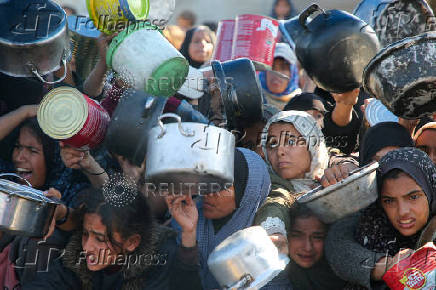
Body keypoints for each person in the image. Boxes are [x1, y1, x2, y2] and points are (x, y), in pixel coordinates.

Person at [23, 186, 202, 290]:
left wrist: (188, 233)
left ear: (132, 242)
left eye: (100, 239)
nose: (87, 247)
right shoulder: (77, 258)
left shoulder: (158, 258)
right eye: (86, 234)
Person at [325, 148, 436, 289]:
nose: (402, 212)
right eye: (389, 201)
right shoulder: (371, 227)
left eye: (413, 197)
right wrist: (384, 266)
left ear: (430, 190)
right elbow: (337, 243)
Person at [170, 148, 272, 289]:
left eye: (222, 185)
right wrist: (188, 234)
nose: (209, 192)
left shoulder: (267, 241)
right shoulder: (182, 221)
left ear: (247, 192)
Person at [254, 111, 329, 249]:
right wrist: (273, 231)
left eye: (290, 141)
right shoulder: (270, 185)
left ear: (312, 144)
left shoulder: (332, 176)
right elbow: (275, 201)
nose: (280, 151)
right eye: (272, 144)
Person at [286, 204, 346, 290]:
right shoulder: (271, 276)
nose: (308, 247)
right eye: (297, 235)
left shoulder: (343, 274)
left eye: (317, 237)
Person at [259, 43, 301, 110]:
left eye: (283, 68)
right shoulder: (254, 99)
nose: (277, 73)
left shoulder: (302, 103)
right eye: (272, 67)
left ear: (293, 72)